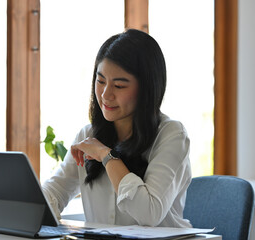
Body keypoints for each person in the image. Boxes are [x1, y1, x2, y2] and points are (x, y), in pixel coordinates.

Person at [42, 29, 192, 228]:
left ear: (147, 89)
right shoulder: (88, 136)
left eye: (119, 86)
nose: (105, 94)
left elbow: (149, 213)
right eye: (100, 80)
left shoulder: (172, 136)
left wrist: (106, 155)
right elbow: (53, 193)